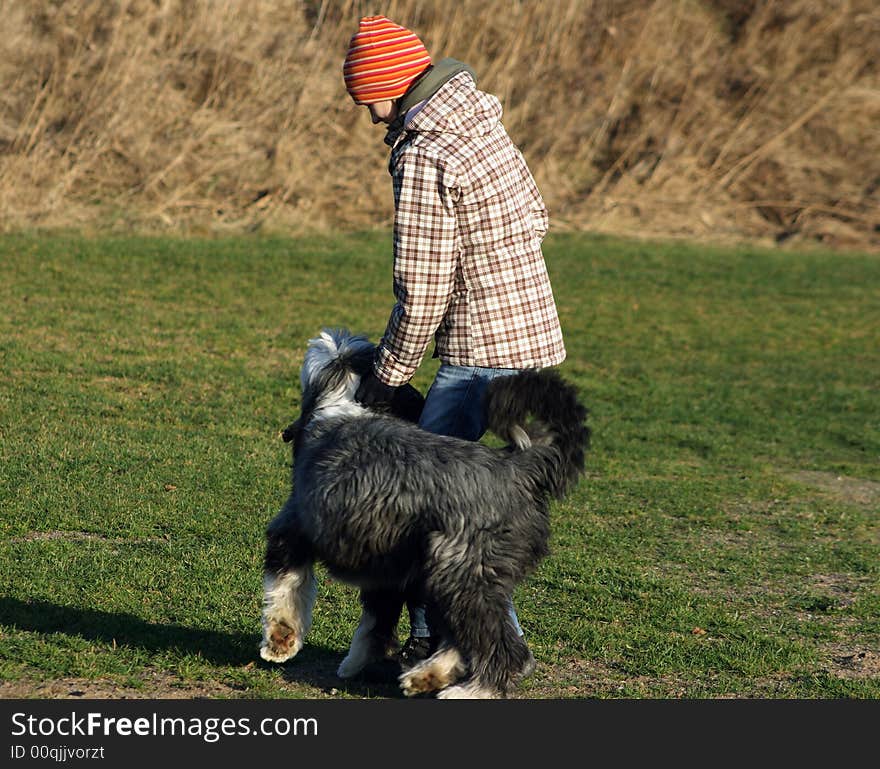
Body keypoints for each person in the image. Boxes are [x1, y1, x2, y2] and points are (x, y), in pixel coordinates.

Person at [343, 16, 566, 671]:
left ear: (392, 84)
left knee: (428, 504)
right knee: (467, 503)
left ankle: (489, 646)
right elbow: (537, 215)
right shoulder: (480, 123)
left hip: (478, 353)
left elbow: (423, 282)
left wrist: (388, 376)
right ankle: (442, 638)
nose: (370, 113)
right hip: (532, 339)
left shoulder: (424, 150)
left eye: (371, 99)